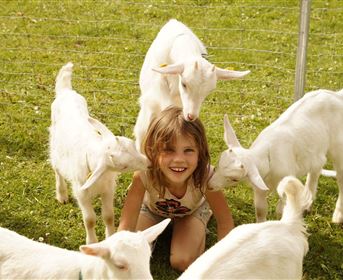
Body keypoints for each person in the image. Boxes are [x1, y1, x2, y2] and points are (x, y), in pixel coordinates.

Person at [118, 106, 234, 272]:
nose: (179, 159)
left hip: (191, 212)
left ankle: (197, 223)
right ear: (153, 151)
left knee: (182, 261)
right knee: (131, 251)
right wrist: (119, 254)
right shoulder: (144, 174)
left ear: (200, 153)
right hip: (152, 210)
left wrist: (224, 263)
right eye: (168, 150)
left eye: (188, 150)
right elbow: (126, 223)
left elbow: (225, 222)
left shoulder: (207, 177)